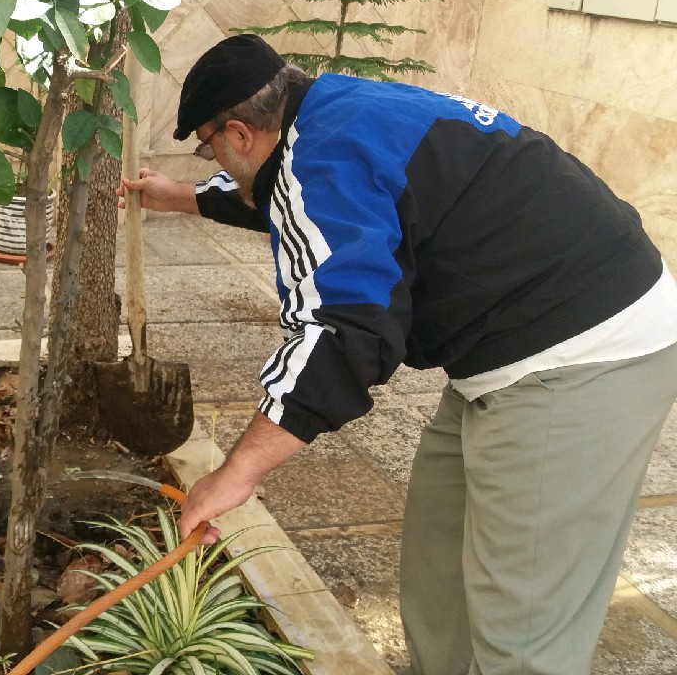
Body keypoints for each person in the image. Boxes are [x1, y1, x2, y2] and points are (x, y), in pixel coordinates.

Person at [119, 34, 677, 675]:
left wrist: (236, 473)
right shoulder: (332, 108)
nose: (210, 157)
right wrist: (183, 195)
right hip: (517, 337)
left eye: (207, 146)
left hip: (584, 350)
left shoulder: (317, 156)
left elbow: (342, 334)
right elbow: (317, 199)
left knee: (524, 628)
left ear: (239, 133)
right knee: (440, 568)